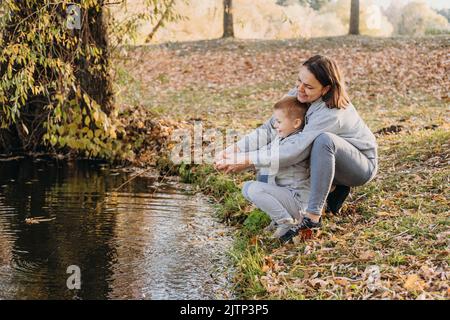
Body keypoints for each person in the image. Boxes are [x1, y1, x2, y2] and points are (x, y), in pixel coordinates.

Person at [215, 55, 378, 243]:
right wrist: (234, 150)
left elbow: (294, 150)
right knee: (281, 135)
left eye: (308, 86)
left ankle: (312, 217)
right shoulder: (299, 94)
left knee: (322, 141)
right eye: (299, 80)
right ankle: (318, 198)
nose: (300, 89)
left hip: (358, 166)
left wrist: (248, 161)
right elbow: (270, 128)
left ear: (326, 89)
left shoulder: (332, 113)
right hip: (325, 160)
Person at [241, 96, 310, 239]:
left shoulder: (296, 143)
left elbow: (272, 157)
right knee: (247, 187)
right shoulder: (280, 138)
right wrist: (237, 159)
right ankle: (279, 219)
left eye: (279, 122)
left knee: (254, 188)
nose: (275, 125)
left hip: (297, 201)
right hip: (286, 196)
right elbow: (262, 152)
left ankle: (287, 222)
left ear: (296, 123)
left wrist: (246, 161)